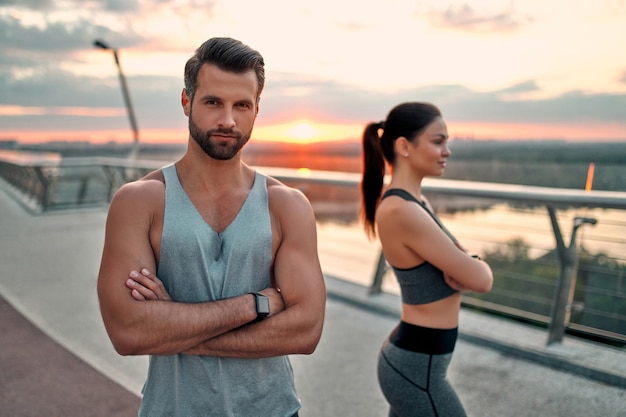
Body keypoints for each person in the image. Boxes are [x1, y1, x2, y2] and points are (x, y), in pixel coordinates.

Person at [97, 37, 326, 417]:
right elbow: (128, 332)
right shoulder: (140, 202)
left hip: (273, 410)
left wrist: (175, 326)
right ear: (187, 102)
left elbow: (305, 332)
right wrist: (256, 304)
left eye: (242, 105)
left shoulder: (287, 205)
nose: (228, 120)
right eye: (213, 102)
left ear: (256, 111)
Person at [359, 102, 493, 417]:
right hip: (417, 370)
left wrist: (467, 262)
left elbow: (465, 263)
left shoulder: (416, 201)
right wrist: (472, 264)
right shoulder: (402, 210)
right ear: (404, 146)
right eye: (438, 141)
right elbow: (481, 279)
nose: (447, 150)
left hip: (418, 364)